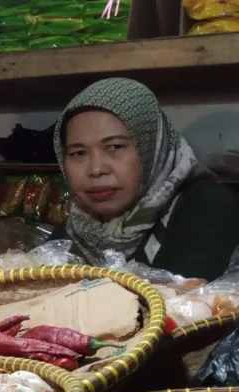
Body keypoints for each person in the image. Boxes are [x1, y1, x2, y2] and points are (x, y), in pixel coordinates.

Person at [53, 77, 239, 279]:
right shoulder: (78, 227)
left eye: (115, 147)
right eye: (78, 153)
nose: (96, 169)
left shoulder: (207, 205)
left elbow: (185, 304)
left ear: (152, 149)